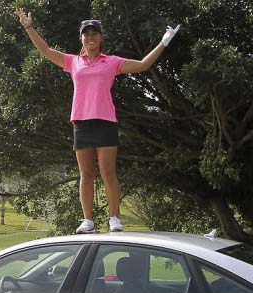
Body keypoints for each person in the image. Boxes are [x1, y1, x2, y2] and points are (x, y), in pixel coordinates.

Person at [16, 9, 180, 233]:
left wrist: (164, 42)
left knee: (108, 173)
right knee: (86, 175)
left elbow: (143, 65)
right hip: (82, 123)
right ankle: (88, 221)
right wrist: (28, 27)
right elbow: (44, 50)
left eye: (95, 33)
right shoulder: (73, 62)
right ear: (81, 38)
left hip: (105, 122)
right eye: (86, 34)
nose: (90, 37)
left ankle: (114, 218)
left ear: (101, 38)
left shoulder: (112, 62)